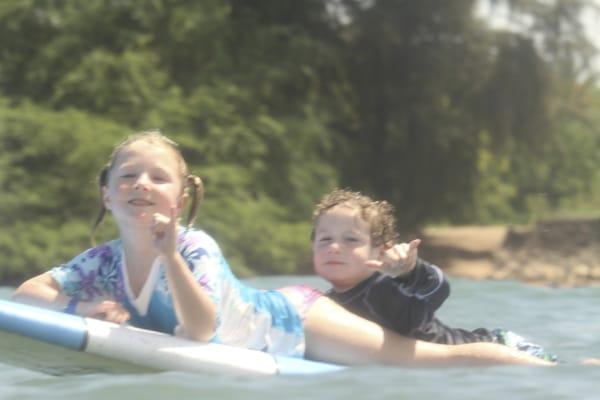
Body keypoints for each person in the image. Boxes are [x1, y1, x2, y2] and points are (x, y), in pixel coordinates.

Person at [12, 131, 553, 367]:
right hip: (279, 318)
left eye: (158, 176)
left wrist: (170, 256)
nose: (142, 184)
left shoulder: (195, 247)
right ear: (107, 192)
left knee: (431, 362)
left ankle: (541, 366)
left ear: (181, 197)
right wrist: (83, 308)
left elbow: (200, 331)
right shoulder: (101, 262)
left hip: (297, 323)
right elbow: (28, 293)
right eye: (128, 175)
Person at [311, 189, 557, 361]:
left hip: (498, 349)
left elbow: (437, 291)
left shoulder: (385, 286)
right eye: (325, 239)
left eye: (350, 239)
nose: (334, 247)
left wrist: (408, 271)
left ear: (382, 250)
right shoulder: (324, 306)